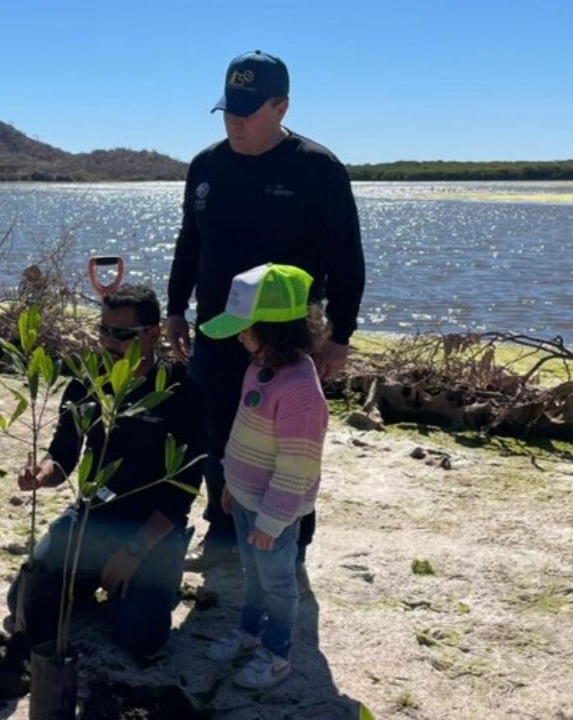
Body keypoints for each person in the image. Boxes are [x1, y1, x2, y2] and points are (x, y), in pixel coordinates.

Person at [167, 50, 364, 578]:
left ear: (280, 107)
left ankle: (288, 539)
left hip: (284, 338)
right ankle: (224, 530)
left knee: (285, 442)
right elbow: (190, 243)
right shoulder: (206, 166)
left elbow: (347, 258)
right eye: (228, 109)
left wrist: (340, 335)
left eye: (248, 111)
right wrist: (174, 311)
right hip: (217, 327)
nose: (235, 121)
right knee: (217, 433)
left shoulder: (317, 169)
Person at [7, 285, 205, 658]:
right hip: (91, 518)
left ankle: (145, 583)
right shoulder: (86, 381)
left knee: (141, 639)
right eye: (103, 330)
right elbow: (63, 457)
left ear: (153, 333)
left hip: (152, 527)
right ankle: (95, 578)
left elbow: (183, 489)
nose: (109, 342)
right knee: (22, 602)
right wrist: (41, 474)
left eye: (122, 334)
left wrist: (133, 552)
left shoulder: (181, 392)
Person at [199, 264, 329, 689]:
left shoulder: (300, 391)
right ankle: (250, 633)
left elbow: (298, 465)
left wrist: (272, 520)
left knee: (278, 583)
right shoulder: (260, 366)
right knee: (252, 575)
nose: (239, 336)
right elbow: (244, 429)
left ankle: (277, 653)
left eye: (246, 328)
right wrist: (231, 485)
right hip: (244, 498)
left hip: (275, 512)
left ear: (275, 331)